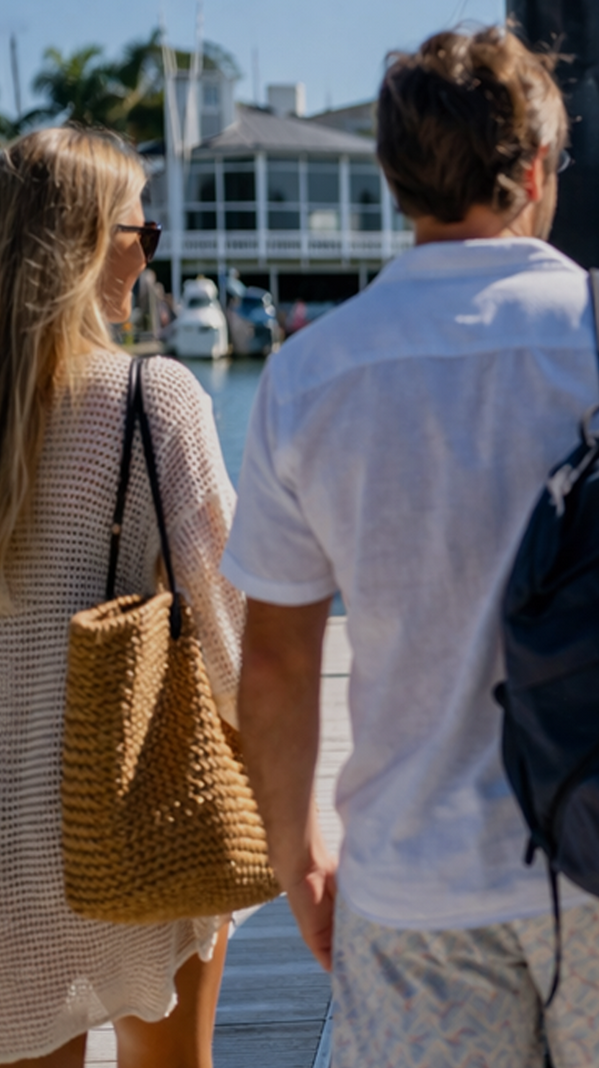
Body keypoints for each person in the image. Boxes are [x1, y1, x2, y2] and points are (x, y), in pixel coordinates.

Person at [223, 26, 599, 1068]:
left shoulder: (311, 375)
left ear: (396, 179)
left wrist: (299, 859)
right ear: (534, 168)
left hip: (412, 882)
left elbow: (275, 668)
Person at [0, 128, 243, 1067]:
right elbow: (228, 634)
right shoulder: (153, 398)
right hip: (132, 817)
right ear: (100, 242)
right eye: (145, 231)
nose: (150, 254)